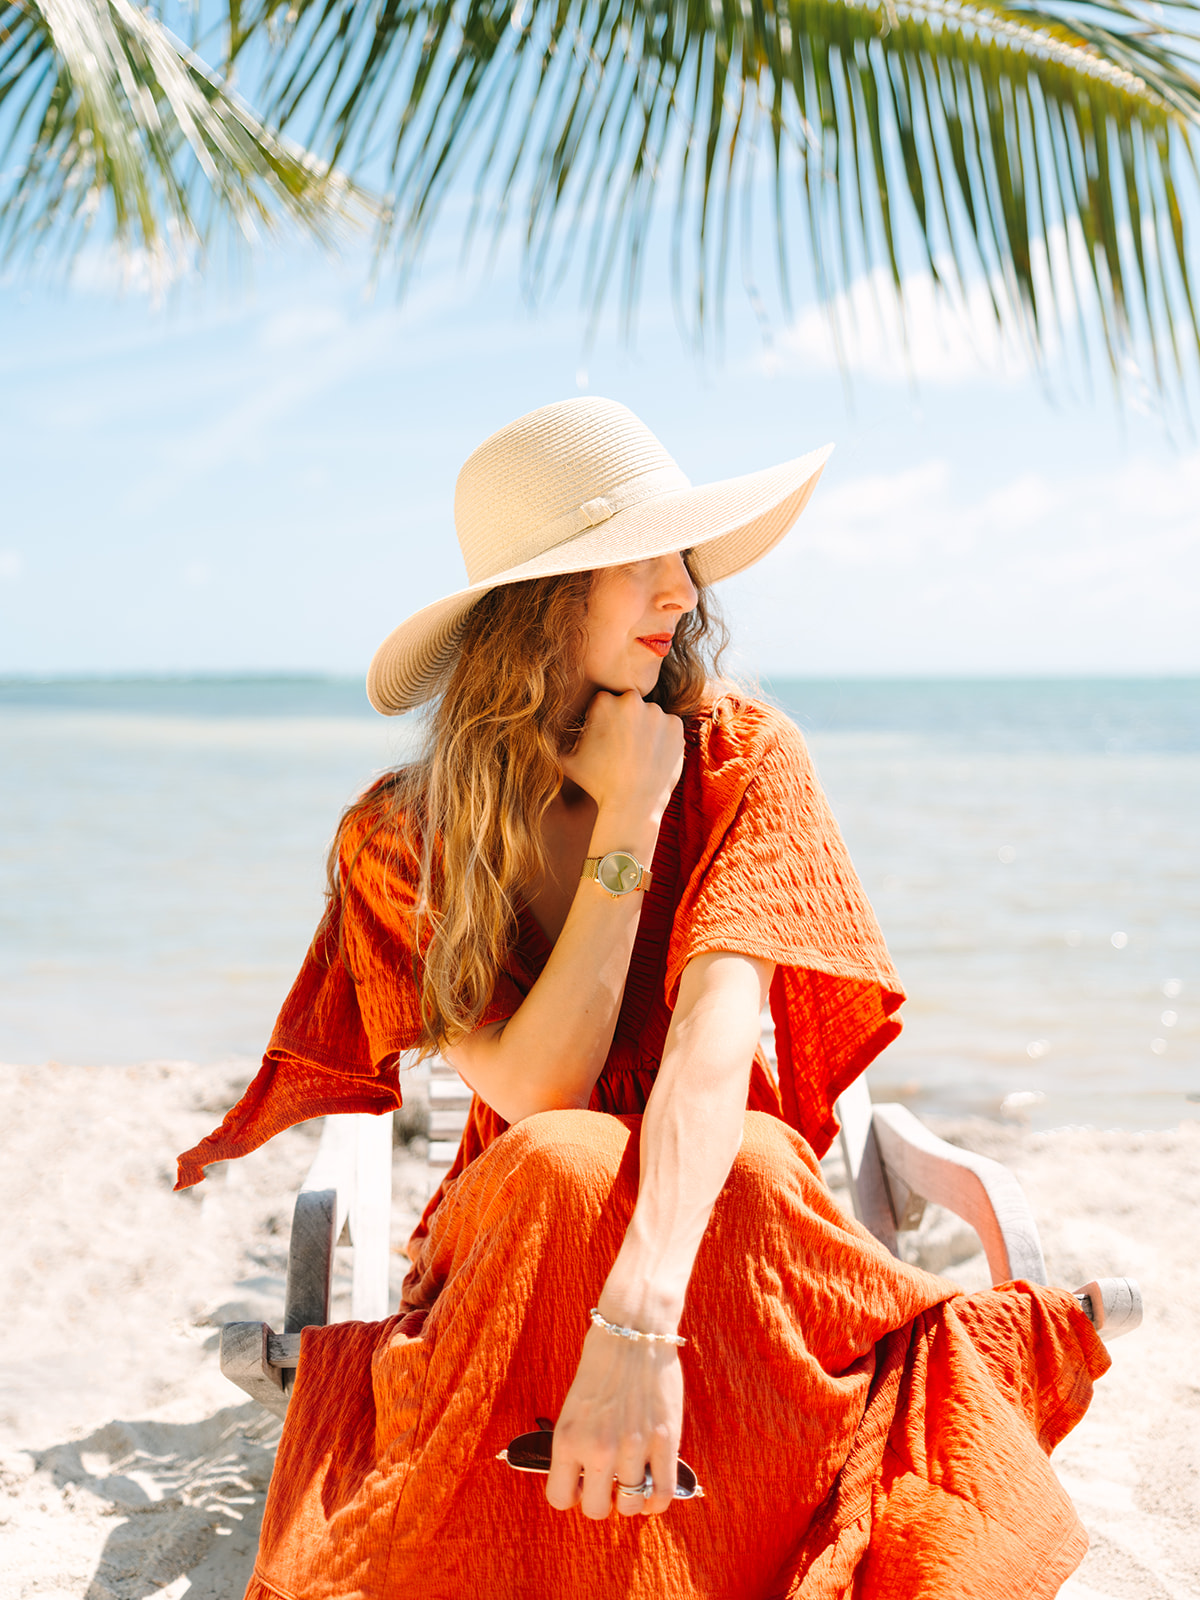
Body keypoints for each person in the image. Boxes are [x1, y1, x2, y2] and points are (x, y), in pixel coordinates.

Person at [177, 397, 1109, 1599]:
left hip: (721, 1210)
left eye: (686, 560)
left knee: (764, 1163)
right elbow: (542, 1090)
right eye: (643, 562)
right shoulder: (403, 838)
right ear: (536, 604)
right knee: (567, 1157)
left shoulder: (744, 760)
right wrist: (630, 818)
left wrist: (642, 1320)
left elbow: (720, 1044)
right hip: (527, 1220)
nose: (684, 592)